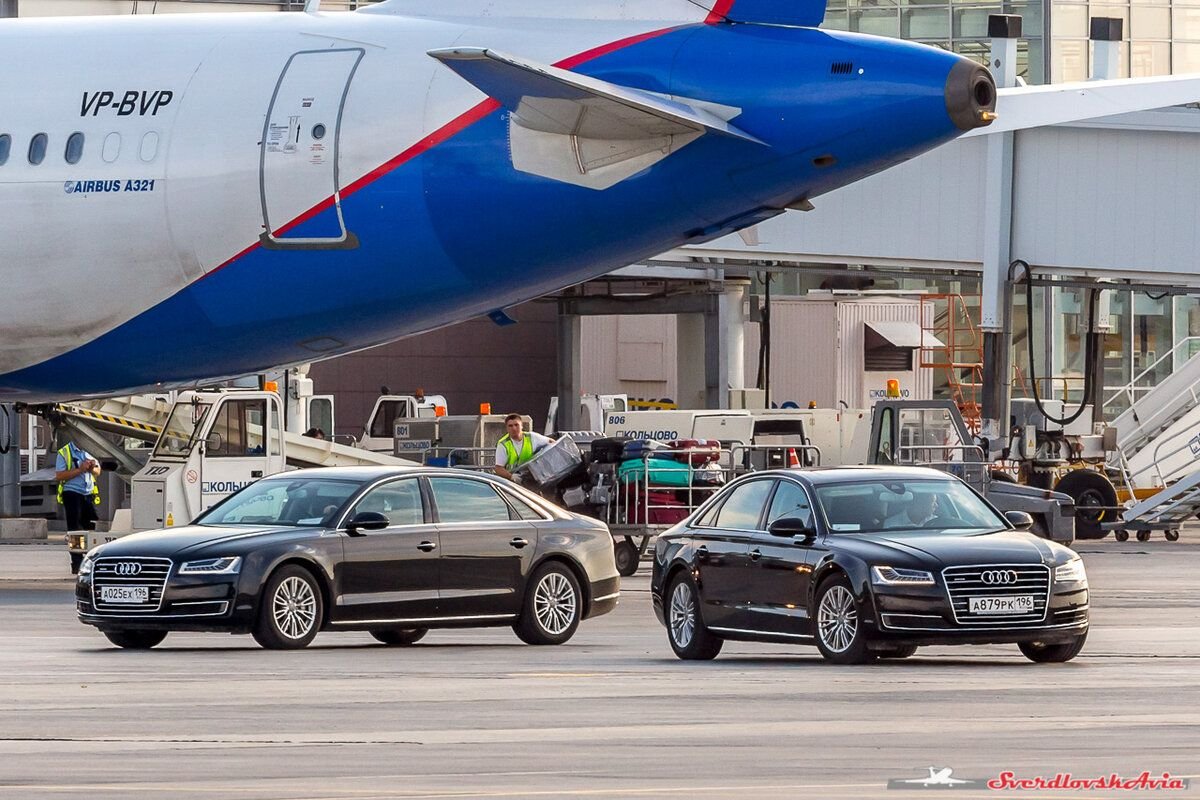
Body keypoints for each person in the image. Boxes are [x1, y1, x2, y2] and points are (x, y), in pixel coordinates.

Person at [55, 440, 102, 543]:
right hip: (72, 492)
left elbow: (98, 471)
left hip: (88, 493)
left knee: (91, 524)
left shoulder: (90, 449)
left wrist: (92, 468)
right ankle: (76, 557)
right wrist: (80, 470)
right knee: (75, 528)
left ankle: (90, 554)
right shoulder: (64, 452)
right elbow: (59, 475)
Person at [494, 414, 553, 481]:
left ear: (522, 426)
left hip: (532, 478)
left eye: (516, 425)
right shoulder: (503, 444)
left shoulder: (531, 437)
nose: (514, 428)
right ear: (507, 428)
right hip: (511, 481)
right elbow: (498, 468)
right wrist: (511, 477)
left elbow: (551, 442)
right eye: (510, 426)